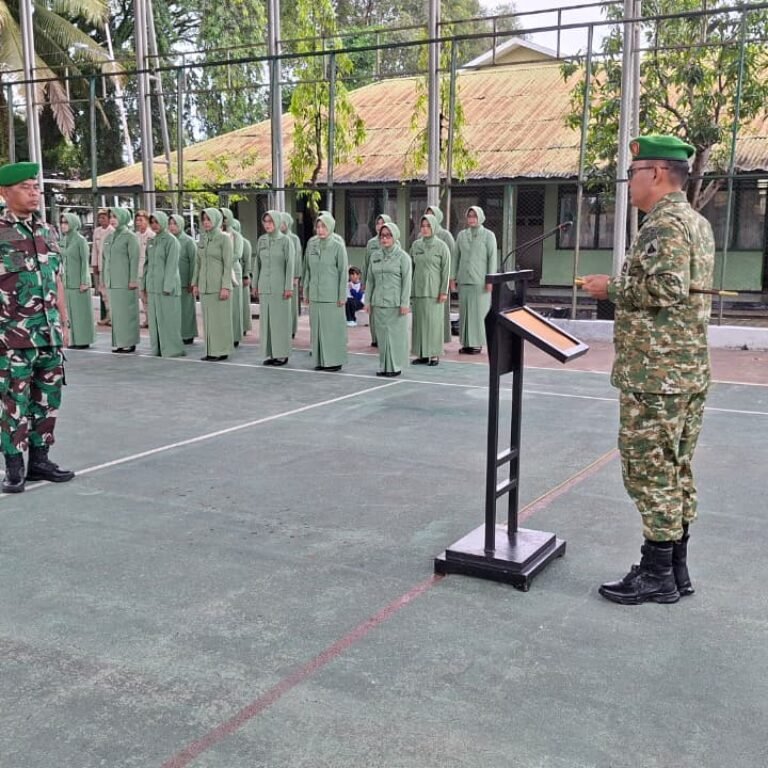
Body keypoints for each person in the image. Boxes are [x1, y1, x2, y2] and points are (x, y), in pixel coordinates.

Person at [580, 135, 716, 606]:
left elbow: (668, 288)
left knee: (649, 471)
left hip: (656, 375)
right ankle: (674, 568)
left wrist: (610, 288)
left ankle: (658, 573)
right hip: (685, 369)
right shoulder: (695, 222)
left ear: (656, 173)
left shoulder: (665, 225)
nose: (630, 183)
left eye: (634, 174)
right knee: (675, 468)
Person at [0, 161, 75, 493]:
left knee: (47, 400)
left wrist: (64, 320)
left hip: (48, 334)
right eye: (25, 188)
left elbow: (56, 278)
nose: (33, 194)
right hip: (11, 336)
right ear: (4, 192)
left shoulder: (47, 231)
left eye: (36, 188)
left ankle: (40, 461)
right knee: (13, 402)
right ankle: (14, 466)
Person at [303, 211, 348, 372]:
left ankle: (335, 361)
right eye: (318, 226)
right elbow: (307, 269)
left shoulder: (337, 246)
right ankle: (321, 360)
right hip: (316, 294)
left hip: (332, 296)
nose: (320, 230)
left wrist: (342, 295)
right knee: (317, 329)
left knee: (332, 330)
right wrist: (306, 292)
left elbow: (343, 272)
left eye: (324, 226)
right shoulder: (311, 244)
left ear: (330, 227)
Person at [365, 221, 411, 377]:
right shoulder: (375, 256)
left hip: (395, 303)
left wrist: (405, 303)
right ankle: (384, 366)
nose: (384, 239)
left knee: (395, 336)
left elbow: (407, 282)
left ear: (395, 236)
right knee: (383, 336)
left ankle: (395, 366)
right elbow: (370, 280)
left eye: (388, 236)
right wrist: (368, 301)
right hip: (379, 302)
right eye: (382, 236)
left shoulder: (403, 257)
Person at [453, 206, 498, 354]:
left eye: (474, 216)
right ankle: (466, 343)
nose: (472, 219)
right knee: (465, 313)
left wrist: (490, 279)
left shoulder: (488, 235)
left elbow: (492, 258)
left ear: (480, 217)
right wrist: (453, 277)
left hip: (480, 282)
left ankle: (477, 343)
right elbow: (456, 257)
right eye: (469, 216)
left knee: (478, 313)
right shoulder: (461, 235)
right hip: (464, 280)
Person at [191, 208, 233, 361]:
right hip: (205, 285)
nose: (206, 223)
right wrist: (195, 283)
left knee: (219, 320)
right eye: (204, 220)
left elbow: (228, 264)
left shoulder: (224, 239)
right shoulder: (202, 239)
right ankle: (210, 350)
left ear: (216, 220)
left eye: (209, 219)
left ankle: (221, 350)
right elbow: (198, 263)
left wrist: (225, 286)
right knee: (208, 320)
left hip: (218, 285)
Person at [253, 211, 294, 366]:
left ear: (277, 222)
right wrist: (255, 284)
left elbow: (290, 264)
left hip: (280, 287)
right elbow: (257, 263)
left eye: (270, 221)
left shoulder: (286, 241)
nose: (267, 224)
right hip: (265, 286)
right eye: (265, 221)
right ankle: (271, 353)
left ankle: (282, 354)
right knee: (267, 322)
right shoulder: (262, 240)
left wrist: (288, 286)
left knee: (280, 321)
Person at [142, 212, 184, 358]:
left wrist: (167, 286)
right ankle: (157, 348)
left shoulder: (171, 241)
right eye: (152, 222)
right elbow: (146, 265)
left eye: (156, 222)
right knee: (154, 320)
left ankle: (172, 349)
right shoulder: (151, 241)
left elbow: (172, 265)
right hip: (153, 287)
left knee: (168, 319)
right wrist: (144, 285)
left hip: (167, 288)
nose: (154, 225)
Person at [410, 214, 450, 366]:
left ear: (434, 227)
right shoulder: (415, 245)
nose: (425, 229)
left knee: (433, 323)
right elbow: (411, 268)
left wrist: (444, 291)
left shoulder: (441, 246)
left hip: (434, 292)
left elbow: (446, 270)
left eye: (428, 226)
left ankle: (433, 354)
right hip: (418, 290)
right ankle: (421, 354)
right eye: (423, 226)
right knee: (419, 323)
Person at [103, 207, 140, 353]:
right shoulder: (109, 237)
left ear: (123, 217)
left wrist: (133, 279)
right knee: (116, 315)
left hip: (125, 282)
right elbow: (105, 260)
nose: (112, 219)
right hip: (112, 282)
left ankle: (129, 342)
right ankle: (119, 341)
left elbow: (134, 259)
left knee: (127, 313)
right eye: (111, 216)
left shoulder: (130, 237)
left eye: (115, 216)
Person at [59, 212, 95, 349]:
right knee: (71, 314)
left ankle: (83, 339)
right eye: (62, 222)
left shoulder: (81, 240)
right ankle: (74, 339)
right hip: (66, 282)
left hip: (79, 283)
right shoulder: (64, 240)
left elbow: (85, 263)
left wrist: (85, 281)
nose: (63, 225)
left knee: (81, 313)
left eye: (66, 222)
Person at [424, 205, 456, 343]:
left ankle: (441, 337)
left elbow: (452, 258)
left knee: (441, 309)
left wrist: (451, 278)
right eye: (428, 215)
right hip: (425, 281)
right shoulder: (422, 235)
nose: (430, 218)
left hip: (441, 279)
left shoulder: (445, 235)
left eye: (433, 215)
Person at [362, 213, 392, 348]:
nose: (379, 226)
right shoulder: (371, 243)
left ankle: (384, 337)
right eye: (378, 223)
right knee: (373, 311)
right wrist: (364, 282)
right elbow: (366, 263)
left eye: (382, 223)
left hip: (388, 282)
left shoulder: (394, 242)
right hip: (373, 279)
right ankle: (375, 337)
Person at [169, 214, 198, 344]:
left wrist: (192, 281)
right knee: (175, 311)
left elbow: (194, 262)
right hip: (172, 282)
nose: (172, 227)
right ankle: (177, 333)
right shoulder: (169, 241)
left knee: (186, 310)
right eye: (170, 224)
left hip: (185, 281)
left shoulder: (188, 241)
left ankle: (188, 334)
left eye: (174, 224)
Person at [221, 208, 244, 347]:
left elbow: (237, 254)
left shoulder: (236, 236)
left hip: (233, 271)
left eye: (224, 218)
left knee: (234, 305)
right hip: (219, 272)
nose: (222, 221)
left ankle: (235, 335)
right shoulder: (215, 235)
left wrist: (224, 260)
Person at [281, 213, 303, 339]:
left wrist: (296, 276)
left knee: (291, 305)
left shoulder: (294, 238)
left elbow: (297, 258)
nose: (281, 225)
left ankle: (292, 328)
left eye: (284, 223)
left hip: (291, 276)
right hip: (280, 275)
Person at [90, 208, 113, 326]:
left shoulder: (112, 231)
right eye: (100, 218)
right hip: (100, 265)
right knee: (102, 291)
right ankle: (108, 315)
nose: (101, 220)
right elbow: (95, 249)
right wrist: (94, 264)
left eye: (104, 217)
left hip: (110, 266)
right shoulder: (97, 231)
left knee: (110, 291)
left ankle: (112, 316)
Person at [134, 209, 154, 327]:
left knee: (149, 296)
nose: (138, 222)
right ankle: (147, 319)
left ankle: (152, 319)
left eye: (141, 220)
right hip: (138, 270)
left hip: (148, 270)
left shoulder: (151, 235)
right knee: (142, 296)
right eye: (137, 220)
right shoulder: (135, 236)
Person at [233, 220, 253, 336]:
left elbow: (247, 260)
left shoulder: (244, 243)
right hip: (232, 276)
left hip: (241, 276)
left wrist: (246, 275)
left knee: (244, 304)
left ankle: (244, 325)